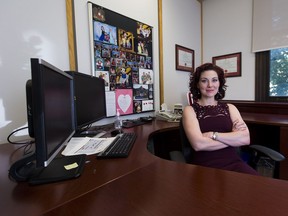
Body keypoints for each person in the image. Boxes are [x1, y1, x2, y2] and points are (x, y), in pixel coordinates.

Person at [182, 63, 259, 175]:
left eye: (214, 80)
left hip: (234, 163)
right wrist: (233, 139)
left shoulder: (230, 108)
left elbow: (245, 139)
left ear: (219, 83)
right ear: (198, 84)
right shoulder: (189, 110)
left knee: (257, 185)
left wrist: (214, 135)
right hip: (205, 165)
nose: (210, 85)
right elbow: (199, 145)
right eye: (204, 81)